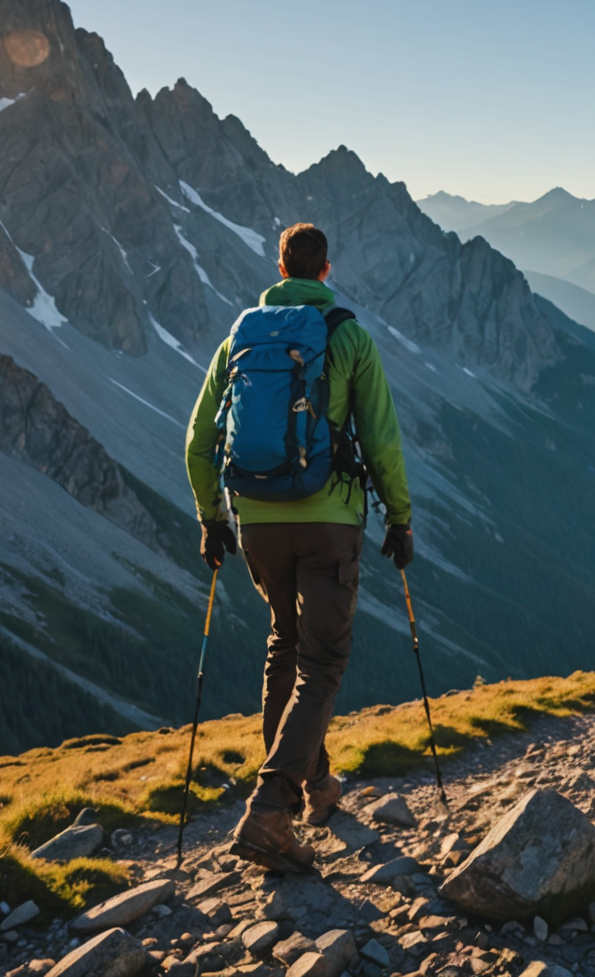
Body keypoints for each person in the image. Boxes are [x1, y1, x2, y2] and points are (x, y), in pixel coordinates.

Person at [185, 222, 413, 872]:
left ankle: (316, 786)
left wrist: (211, 519)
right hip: (328, 522)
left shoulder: (240, 336)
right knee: (322, 662)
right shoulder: (348, 336)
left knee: (284, 644)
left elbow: (200, 440)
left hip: (256, 522)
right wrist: (399, 519)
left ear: (280, 267)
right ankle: (269, 811)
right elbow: (381, 440)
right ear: (326, 270)